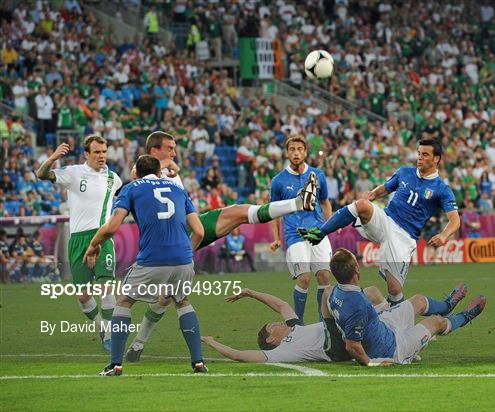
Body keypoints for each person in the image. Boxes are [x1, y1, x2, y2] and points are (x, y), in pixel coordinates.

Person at [125, 131, 318, 362]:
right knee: (166, 298)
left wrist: (168, 166)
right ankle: (137, 343)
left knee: (237, 212)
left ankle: (298, 202)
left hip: (189, 226)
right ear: (154, 150)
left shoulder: (171, 170)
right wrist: (162, 166)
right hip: (167, 238)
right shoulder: (141, 172)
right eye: (169, 148)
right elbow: (133, 187)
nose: (174, 153)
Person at [83, 155, 205, 376]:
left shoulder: (131, 188)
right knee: (182, 301)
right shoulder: (178, 188)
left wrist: (93, 245)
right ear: (159, 172)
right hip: (183, 259)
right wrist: (186, 254)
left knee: (125, 301)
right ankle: (198, 362)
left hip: (152, 259)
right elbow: (199, 231)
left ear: (136, 172)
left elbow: (111, 228)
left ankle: (115, 364)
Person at [299, 139, 460, 305]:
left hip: (404, 236)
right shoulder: (404, 172)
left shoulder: (442, 189)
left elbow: (455, 219)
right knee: (362, 205)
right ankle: (320, 233)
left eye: (425, 154)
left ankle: (396, 319)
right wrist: (373, 194)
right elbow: (386, 187)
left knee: (395, 289)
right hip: (386, 219)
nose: (419, 157)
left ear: (436, 159)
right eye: (419, 153)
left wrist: (444, 235)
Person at [326, 248, 486, 365]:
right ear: (356, 270)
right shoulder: (357, 304)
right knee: (436, 321)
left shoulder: (335, 292)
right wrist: (372, 363)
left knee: (419, 300)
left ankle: (447, 305)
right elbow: (352, 345)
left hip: (384, 326)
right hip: (393, 350)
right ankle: (465, 317)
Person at [36, 135, 123, 350]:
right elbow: (41, 175)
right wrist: (53, 158)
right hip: (78, 239)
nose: (102, 156)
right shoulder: (74, 172)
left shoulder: (115, 179)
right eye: (97, 152)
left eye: (104, 152)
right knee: (84, 296)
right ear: (87, 154)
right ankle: (102, 327)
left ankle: (112, 337)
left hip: (102, 236)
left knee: (106, 287)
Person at [270, 134, 332, 323]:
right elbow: (273, 212)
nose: (296, 153)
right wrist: (276, 238)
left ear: (305, 152)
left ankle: (324, 324)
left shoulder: (317, 175)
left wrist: (328, 226)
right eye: (292, 150)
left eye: (299, 149)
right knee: (304, 278)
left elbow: (325, 202)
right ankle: (299, 324)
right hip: (294, 234)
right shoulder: (278, 181)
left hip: (317, 232)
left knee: (324, 277)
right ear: (287, 153)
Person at [201, 287, 354, 363]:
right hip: (333, 347)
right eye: (272, 326)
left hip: (337, 330)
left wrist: (251, 293)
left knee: (371, 293)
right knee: (328, 293)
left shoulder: (295, 327)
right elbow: (237, 355)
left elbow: (281, 305)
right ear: (270, 339)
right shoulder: (280, 351)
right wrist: (211, 341)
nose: (278, 322)